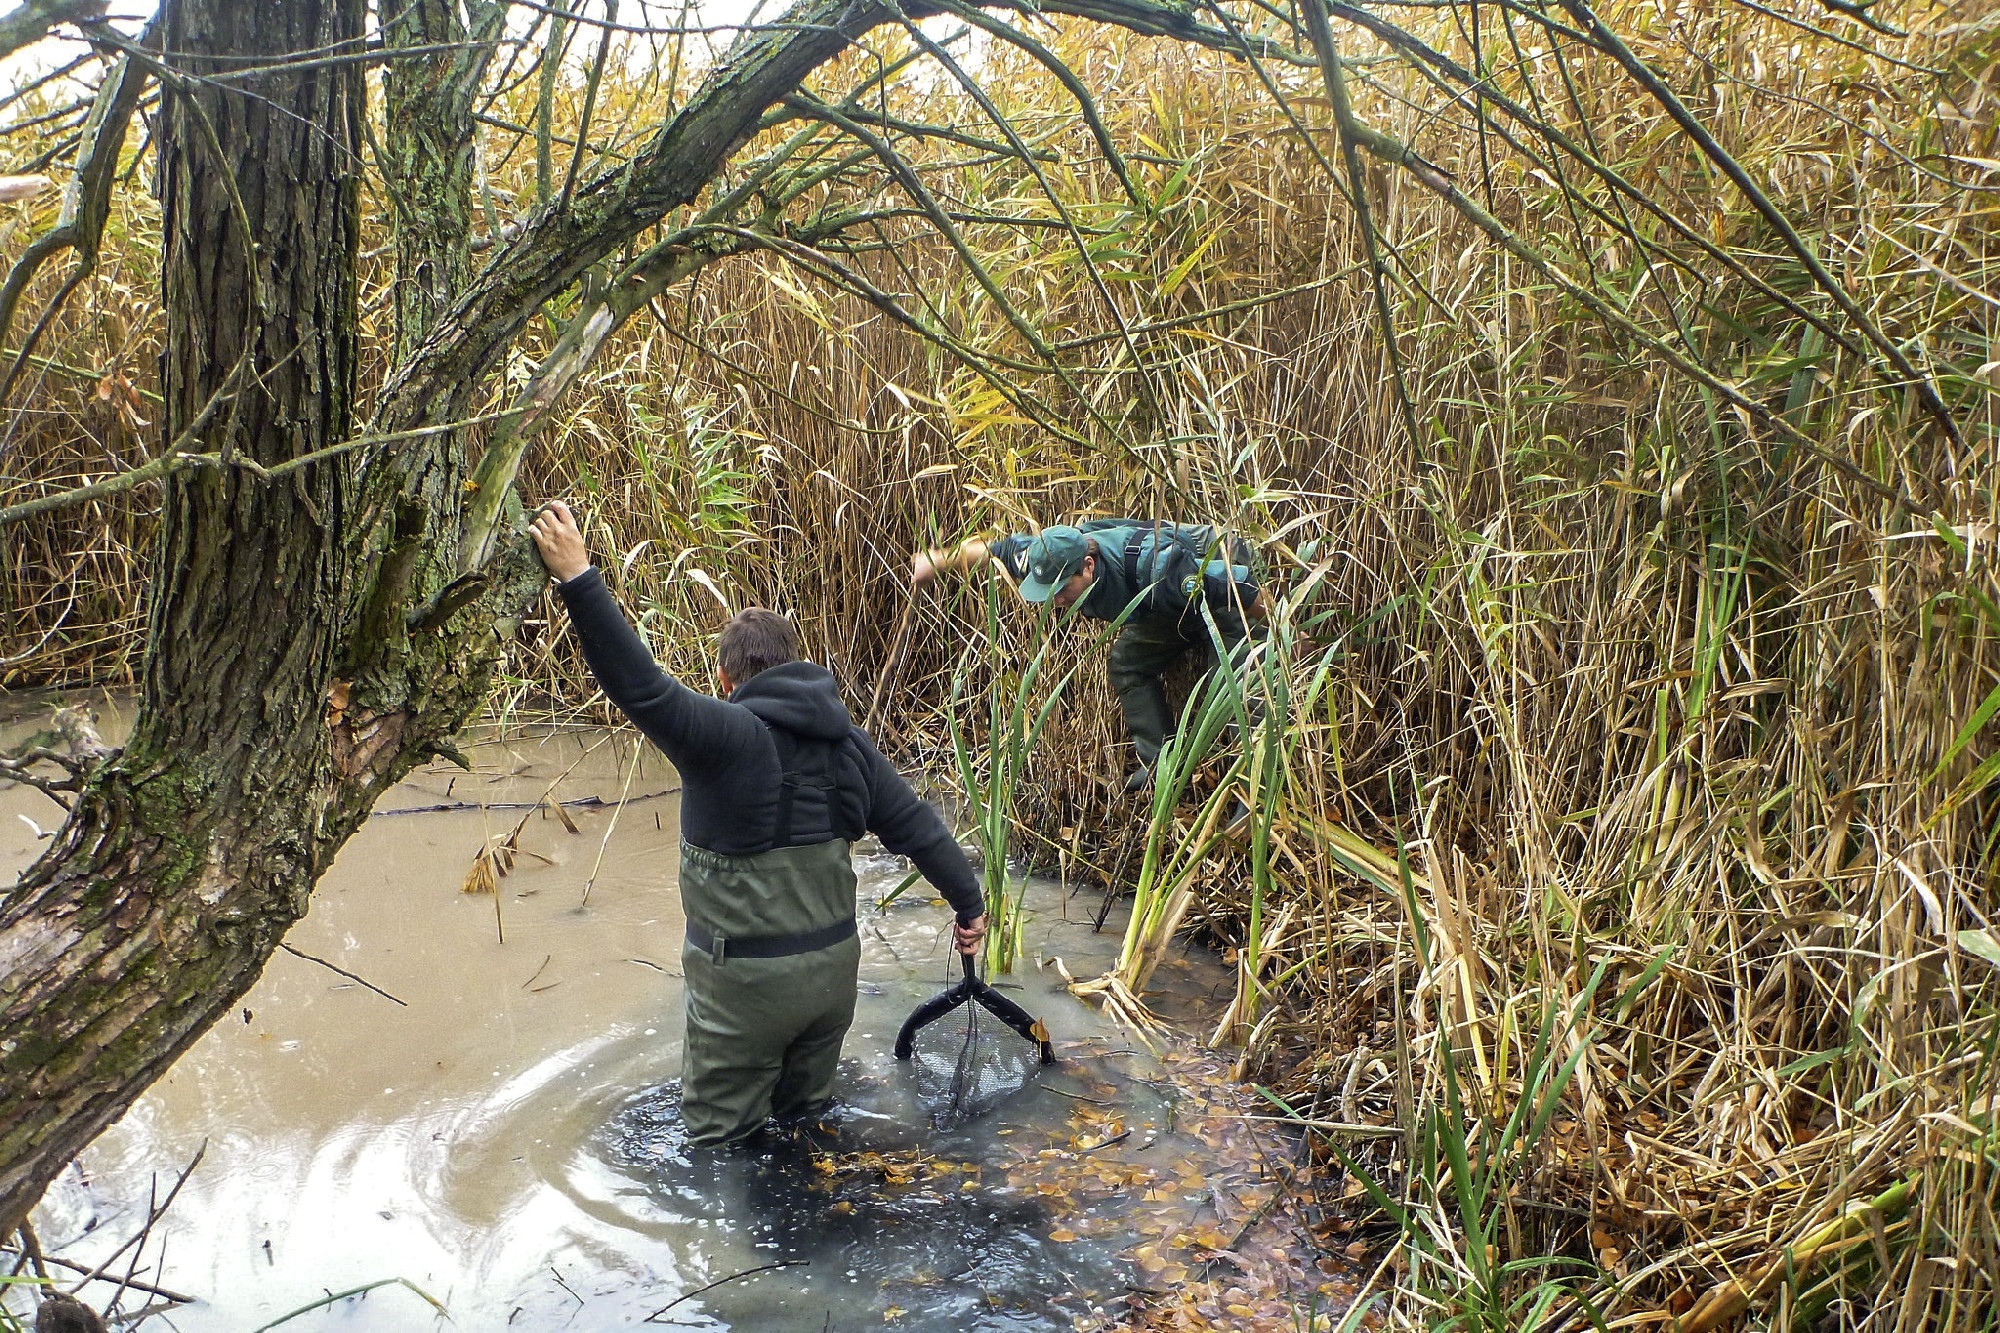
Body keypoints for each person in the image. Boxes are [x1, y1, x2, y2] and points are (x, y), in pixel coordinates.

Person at [529, 501, 987, 1148]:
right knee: (808, 1126)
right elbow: (919, 827)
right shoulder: (849, 744)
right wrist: (968, 906)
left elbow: (641, 686)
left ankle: (744, 1253)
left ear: (725, 679)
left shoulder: (723, 737)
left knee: (721, 1151)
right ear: (795, 664)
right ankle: (828, 1232)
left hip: (745, 992)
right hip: (833, 983)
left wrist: (579, 576)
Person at [912, 519, 1263, 791]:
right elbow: (996, 550)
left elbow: (1241, 590)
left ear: (1089, 566)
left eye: (1062, 589)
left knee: (1233, 683)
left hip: (1219, 571)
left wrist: (1282, 630)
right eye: (1048, 591)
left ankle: (1256, 795)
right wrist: (936, 561)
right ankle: (1162, 769)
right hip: (1164, 603)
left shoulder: (1159, 566)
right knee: (1127, 664)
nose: (1057, 600)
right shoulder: (1048, 558)